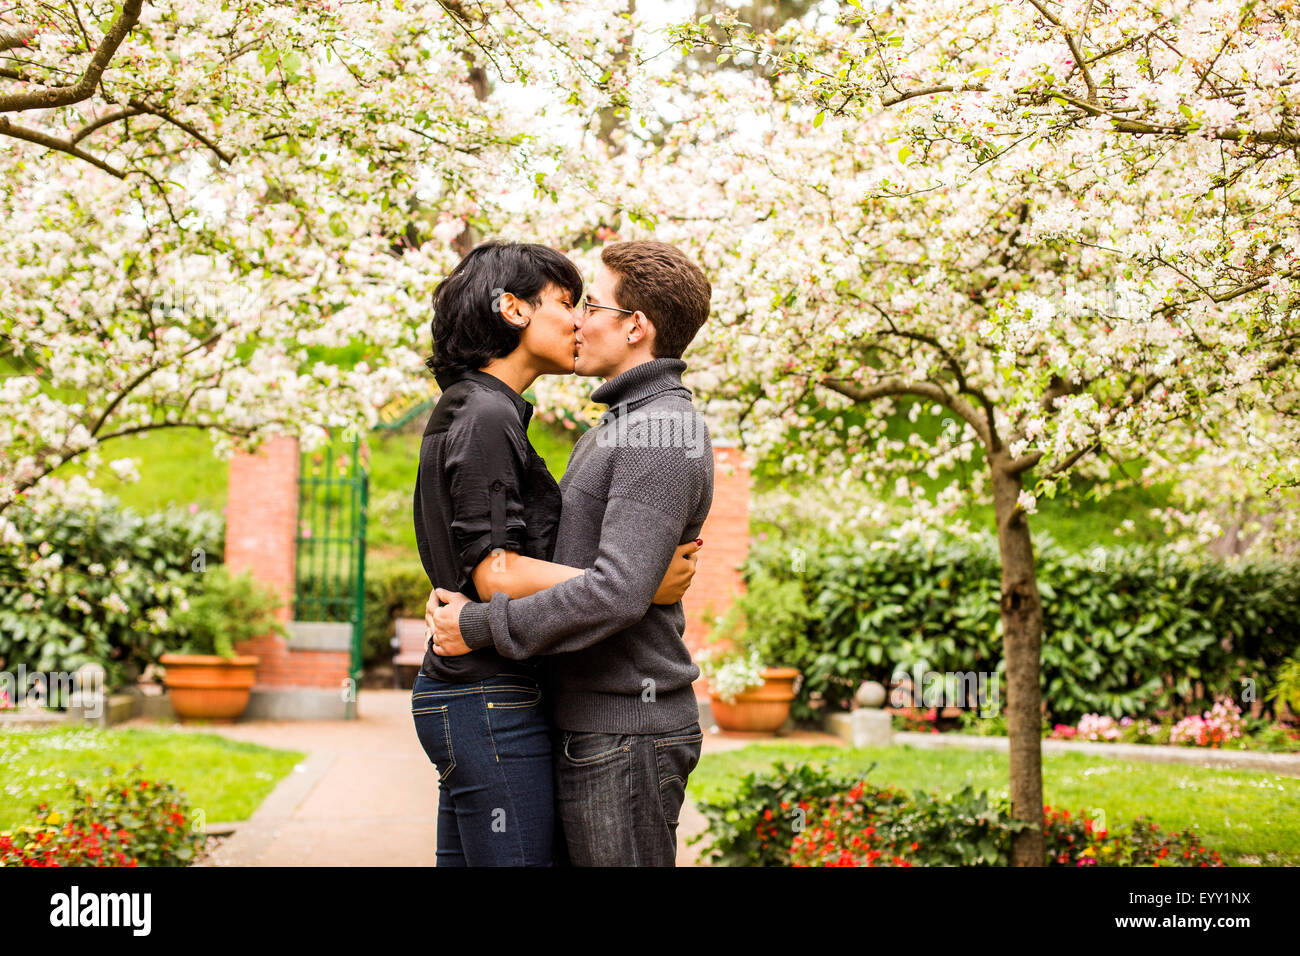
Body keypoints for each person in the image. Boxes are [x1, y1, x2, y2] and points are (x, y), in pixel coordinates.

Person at [411, 240, 701, 867]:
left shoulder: (652, 429)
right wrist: (638, 585)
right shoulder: (492, 413)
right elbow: (501, 571)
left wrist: (627, 584)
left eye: (588, 303)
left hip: (616, 723)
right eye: (570, 303)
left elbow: (598, 582)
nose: (577, 320)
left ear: (635, 326)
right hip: (518, 700)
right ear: (512, 311)